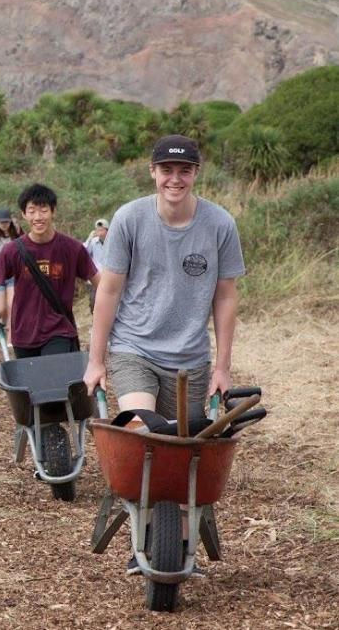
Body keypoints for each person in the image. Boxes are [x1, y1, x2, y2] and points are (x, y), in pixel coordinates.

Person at [82, 135, 245, 577]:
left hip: (190, 356)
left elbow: (225, 297)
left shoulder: (218, 224)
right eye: (166, 170)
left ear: (196, 173)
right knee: (142, 435)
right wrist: (96, 360)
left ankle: (176, 540)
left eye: (185, 170)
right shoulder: (130, 219)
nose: (175, 179)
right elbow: (110, 289)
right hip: (134, 346)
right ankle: (147, 535)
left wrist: (222, 366)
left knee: (183, 452)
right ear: (153, 172)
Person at [0, 183, 99, 358]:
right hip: (23, 334)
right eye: (31, 211)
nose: (38, 217)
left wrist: (100, 322)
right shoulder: (12, 250)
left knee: (54, 381)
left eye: (44, 210)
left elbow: (102, 285)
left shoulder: (72, 249)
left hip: (60, 331)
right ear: (23, 214)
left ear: (53, 211)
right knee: (31, 385)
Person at [0, 208, 24, 343]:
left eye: (7, 222)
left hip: (14, 276)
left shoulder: (17, 236)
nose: (4, 225)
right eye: (2, 222)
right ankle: (1, 325)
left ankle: (10, 338)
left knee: (12, 305)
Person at [84, 218, 109, 314]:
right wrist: (89, 238)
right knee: (93, 303)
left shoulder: (113, 241)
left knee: (109, 302)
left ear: (107, 230)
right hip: (95, 278)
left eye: (101, 229)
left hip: (109, 278)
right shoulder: (93, 242)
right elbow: (83, 252)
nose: (99, 231)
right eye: (97, 229)